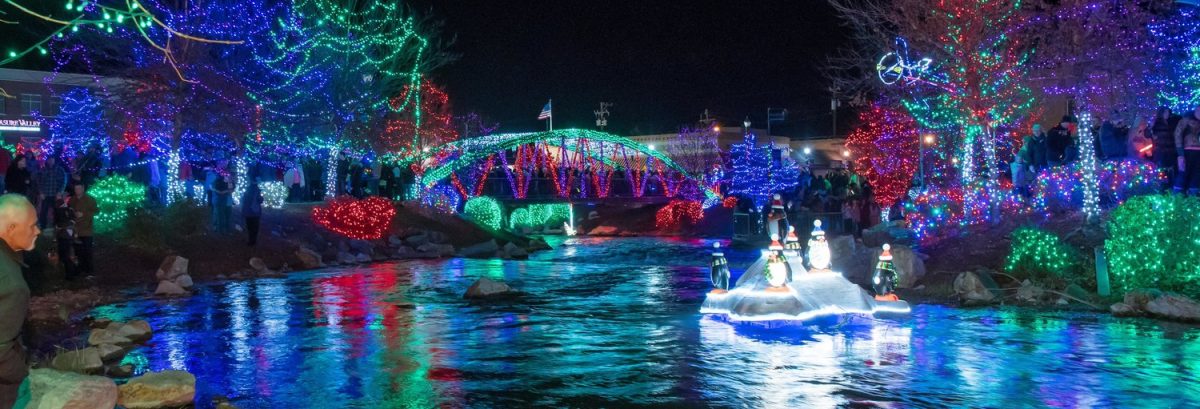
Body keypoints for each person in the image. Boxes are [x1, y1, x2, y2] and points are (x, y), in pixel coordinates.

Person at [0, 194, 38, 408]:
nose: (38, 231)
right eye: (33, 226)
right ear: (12, 228)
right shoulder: (13, 286)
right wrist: (24, 373)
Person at [1152, 107, 1182, 191]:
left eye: (1168, 112)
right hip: (1162, 152)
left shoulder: (1169, 122)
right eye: (1166, 112)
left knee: (1170, 171)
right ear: (1162, 113)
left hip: (1169, 151)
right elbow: (1151, 134)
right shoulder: (1158, 124)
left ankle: (1169, 188)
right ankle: (1164, 189)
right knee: (1164, 171)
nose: (1167, 114)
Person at [71, 183, 97, 279]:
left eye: (78, 188)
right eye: (75, 189)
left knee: (87, 251)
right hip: (76, 230)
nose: (77, 190)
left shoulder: (90, 199)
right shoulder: (72, 199)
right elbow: (70, 211)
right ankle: (80, 269)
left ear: (83, 189)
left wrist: (84, 214)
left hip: (86, 229)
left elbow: (96, 211)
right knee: (78, 251)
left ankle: (90, 271)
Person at [34, 156, 67, 230]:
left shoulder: (60, 169)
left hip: (56, 195)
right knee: (43, 211)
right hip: (45, 195)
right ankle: (43, 226)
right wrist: (41, 192)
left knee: (57, 211)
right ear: (47, 160)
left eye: (52, 159)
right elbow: (38, 181)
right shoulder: (43, 170)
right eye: (49, 159)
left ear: (54, 160)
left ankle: (57, 226)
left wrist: (60, 192)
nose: (51, 161)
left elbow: (63, 181)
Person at [1174, 106, 1200, 195]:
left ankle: (1193, 197)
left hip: (1197, 152)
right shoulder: (1186, 120)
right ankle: (1177, 197)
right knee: (1183, 173)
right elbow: (1178, 134)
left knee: (1196, 174)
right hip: (1187, 151)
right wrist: (1180, 153)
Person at [54, 193, 77, 280]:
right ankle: (68, 274)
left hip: (65, 234)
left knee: (66, 255)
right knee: (64, 255)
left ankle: (70, 275)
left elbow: (70, 221)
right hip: (63, 234)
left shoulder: (66, 209)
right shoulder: (63, 209)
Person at [242, 180, 263, 246]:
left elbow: (244, 201)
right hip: (255, 212)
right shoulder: (257, 191)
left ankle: (251, 240)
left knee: (250, 227)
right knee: (255, 227)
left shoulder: (247, 192)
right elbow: (260, 200)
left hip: (248, 212)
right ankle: (253, 240)